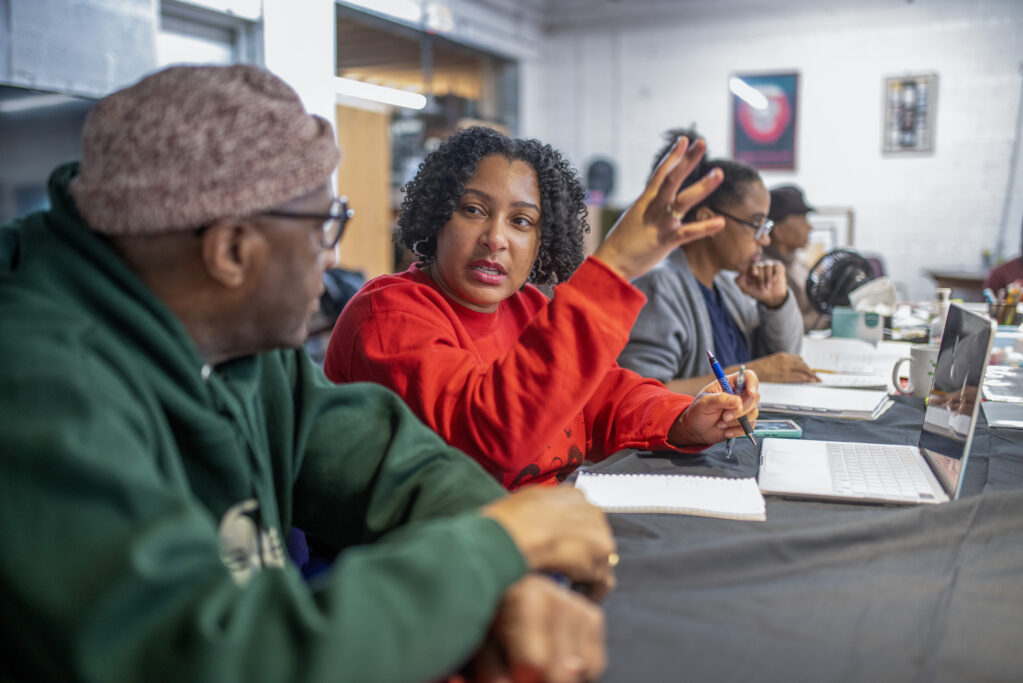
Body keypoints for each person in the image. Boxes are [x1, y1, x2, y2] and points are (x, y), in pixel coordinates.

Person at [0, 64, 618, 683]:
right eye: (325, 226)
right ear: (233, 252)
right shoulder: (42, 391)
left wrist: (509, 562)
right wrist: (494, 552)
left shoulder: (237, 338)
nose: (333, 257)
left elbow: (377, 458)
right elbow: (213, 657)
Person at [324, 126, 761, 490]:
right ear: (437, 218)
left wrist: (684, 418)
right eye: (473, 210)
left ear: (540, 243)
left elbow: (607, 395)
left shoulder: (530, 305)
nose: (496, 238)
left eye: (521, 221)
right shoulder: (387, 315)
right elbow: (492, 435)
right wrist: (613, 267)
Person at [618, 129, 818, 396]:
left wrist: (775, 304)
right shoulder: (660, 287)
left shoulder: (728, 285)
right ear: (706, 220)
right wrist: (752, 374)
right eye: (756, 224)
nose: (765, 240)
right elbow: (642, 395)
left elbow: (784, 363)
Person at [763, 184, 827, 331]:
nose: (809, 227)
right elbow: (790, 325)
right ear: (778, 230)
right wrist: (829, 318)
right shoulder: (767, 271)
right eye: (802, 220)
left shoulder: (796, 263)